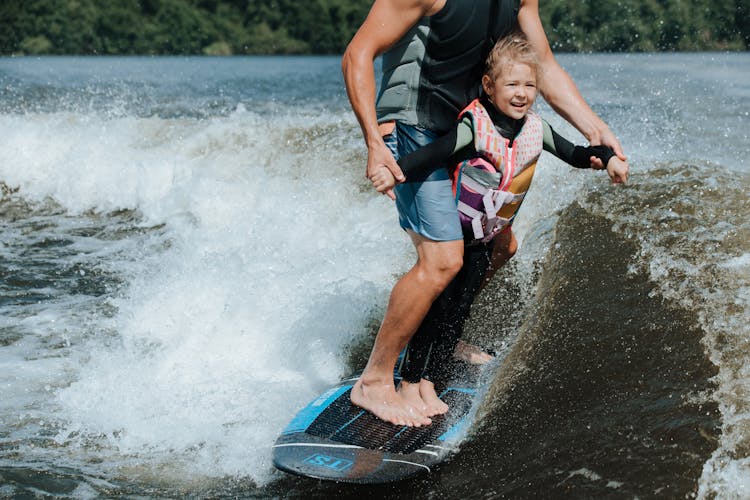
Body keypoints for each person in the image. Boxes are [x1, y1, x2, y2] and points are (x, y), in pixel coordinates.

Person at [342, 0, 626, 427]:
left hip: (470, 126)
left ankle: (442, 336)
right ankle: (376, 380)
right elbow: (357, 54)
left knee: (499, 244)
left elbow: (543, 66)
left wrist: (594, 130)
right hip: (414, 127)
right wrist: (374, 142)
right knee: (443, 260)